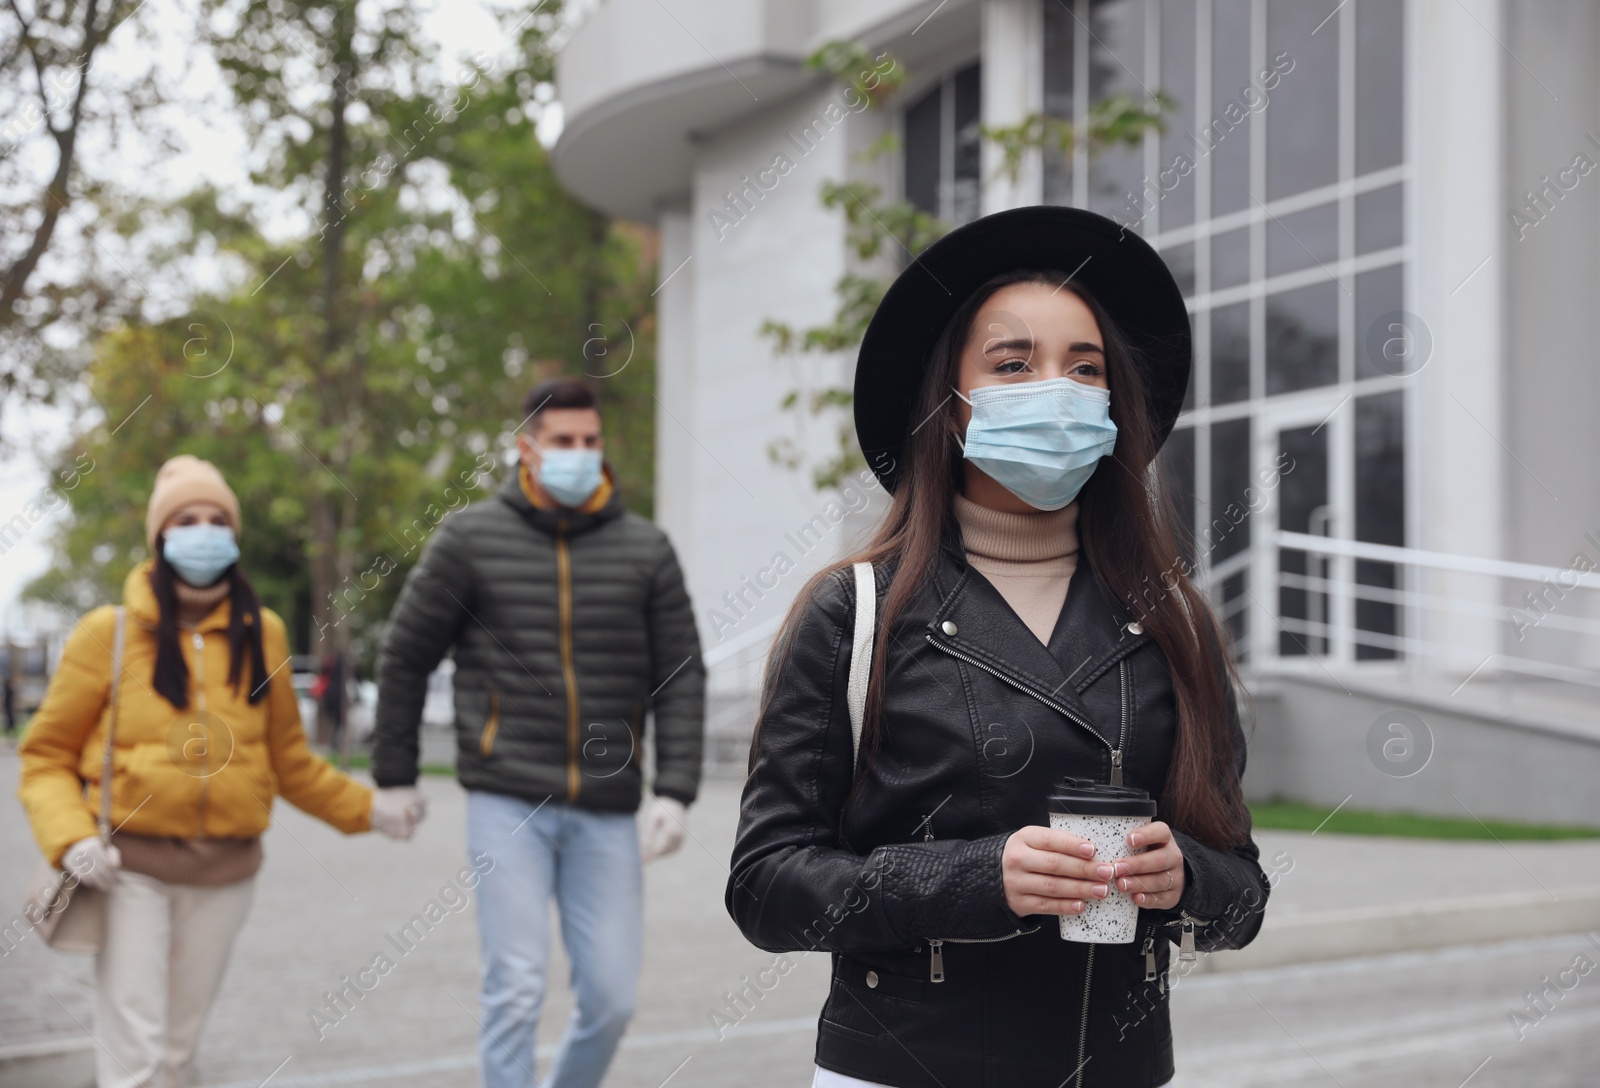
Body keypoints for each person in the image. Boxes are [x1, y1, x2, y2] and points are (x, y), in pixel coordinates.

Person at [726, 206, 1271, 1088]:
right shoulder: (853, 611)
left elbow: (1242, 890)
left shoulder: (1176, 623)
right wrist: (980, 878)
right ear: (949, 407)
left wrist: (1188, 882)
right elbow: (766, 886)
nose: (1053, 388)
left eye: (1083, 369)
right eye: (1013, 364)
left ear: (1112, 409)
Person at [17, 454, 425, 1088]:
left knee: (177, 1055)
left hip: (227, 877)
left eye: (217, 519)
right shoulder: (109, 633)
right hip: (130, 871)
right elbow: (44, 755)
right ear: (159, 536)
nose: (203, 531)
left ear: (233, 535)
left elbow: (289, 760)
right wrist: (69, 837)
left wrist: (370, 810)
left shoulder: (261, 634)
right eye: (186, 519)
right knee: (138, 1059)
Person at [371, 376, 706, 1088]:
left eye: (590, 441)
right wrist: (394, 776)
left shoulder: (646, 548)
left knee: (612, 1001)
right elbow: (404, 654)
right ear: (527, 448)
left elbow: (681, 674)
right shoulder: (468, 539)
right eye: (563, 442)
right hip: (508, 800)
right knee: (516, 987)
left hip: (608, 809)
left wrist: (675, 790)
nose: (579, 454)